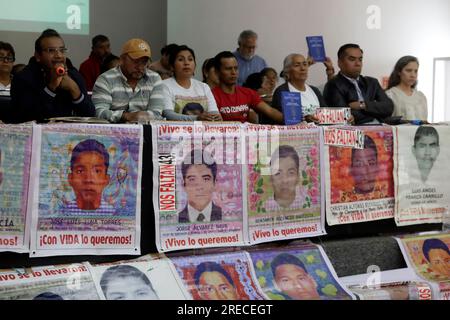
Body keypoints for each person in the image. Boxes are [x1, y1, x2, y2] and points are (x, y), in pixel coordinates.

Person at [11, 29, 95, 123]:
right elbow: (28, 117)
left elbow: (90, 115)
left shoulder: (74, 75)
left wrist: (74, 89)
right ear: (38, 56)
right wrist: (51, 87)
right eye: (51, 50)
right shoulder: (23, 78)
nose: (58, 55)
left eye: (62, 50)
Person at [92, 38, 163, 123]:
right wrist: (126, 116)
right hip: (113, 133)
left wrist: (139, 117)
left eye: (144, 62)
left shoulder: (154, 79)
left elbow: (157, 114)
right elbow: (99, 112)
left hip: (145, 132)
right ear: (122, 59)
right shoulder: (105, 79)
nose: (140, 67)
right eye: (136, 62)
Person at [323, 43, 393, 125]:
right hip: (354, 131)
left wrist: (362, 105)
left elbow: (389, 107)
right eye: (352, 59)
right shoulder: (333, 85)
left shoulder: (372, 82)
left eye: (360, 59)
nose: (358, 64)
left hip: (380, 127)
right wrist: (375, 110)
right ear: (340, 63)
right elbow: (344, 117)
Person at [150, 45, 222, 121]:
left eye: (190, 59)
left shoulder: (204, 87)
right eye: (181, 59)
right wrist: (196, 118)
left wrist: (215, 117)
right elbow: (168, 115)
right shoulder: (164, 85)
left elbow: (214, 113)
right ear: (172, 66)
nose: (186, 63)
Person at [212, 51, 283, 124]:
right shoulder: (211, 96)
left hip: (246, 134)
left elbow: (270, 111)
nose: (233, 72)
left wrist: (292, 121)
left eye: (236, 68)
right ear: (217, 72)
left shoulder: (248, 93)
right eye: (228, 69)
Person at [269, 54, 328, 124]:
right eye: (297, 65)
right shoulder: (282, 91)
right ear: (287, 71)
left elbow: (326, 115)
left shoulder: (314, 90)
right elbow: (285, 120)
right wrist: (304, 119)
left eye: (305, 64)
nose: (303, 68)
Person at [65, 139, 113, 213]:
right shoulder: (60, 213)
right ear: (70, 178)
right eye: (80, 171)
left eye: (97, 171)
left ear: (107, 179)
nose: (88, 179)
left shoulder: (115, 213)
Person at [178, 150, 222, 223]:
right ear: (183, 185)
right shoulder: (176, 219)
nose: (199, 187)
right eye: (192, 179)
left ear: (215, 184)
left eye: (206, 179)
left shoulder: (226, 216)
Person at [386, 56, 428, 122]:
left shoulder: (421, 96)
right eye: (409, 70)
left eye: (415, 71)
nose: (413, 75)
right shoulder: (390, 95)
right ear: (399, 72)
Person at [265, 145, 306, 211]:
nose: (284, 180)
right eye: (278, 173)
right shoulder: (264, 208)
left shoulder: (306, 204)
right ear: (270, 178)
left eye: (291, 173)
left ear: (298, 176)